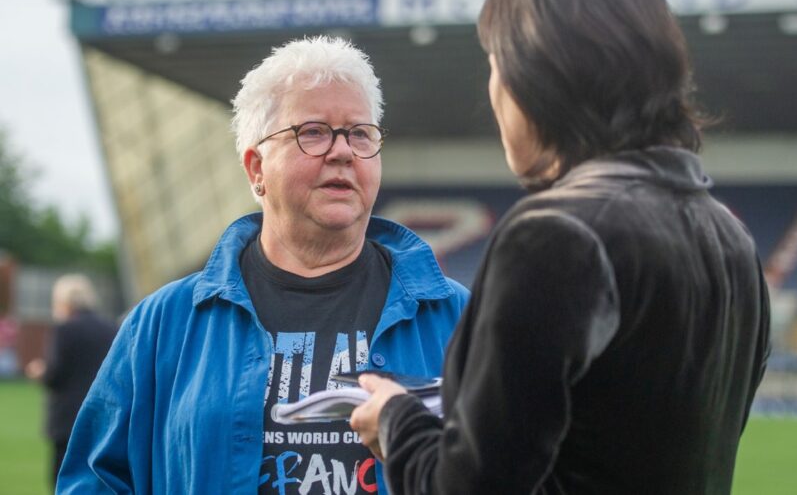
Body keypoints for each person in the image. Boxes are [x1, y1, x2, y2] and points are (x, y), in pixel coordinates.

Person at [350, 0, 772, 494]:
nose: (493, 89)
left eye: (496, 64)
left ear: (537, 73)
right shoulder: (730, 237)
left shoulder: (555, 235)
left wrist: (398, 422)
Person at [58, 36, 469, 494]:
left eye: (359, 133)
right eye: (312, 131)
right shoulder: (163, 325)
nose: (342, 151)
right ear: (256, 169)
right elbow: (94, 482)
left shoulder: (459, 318)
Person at [24, 274, 117, 486]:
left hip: (67, 419)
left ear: (63, 302)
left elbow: (54, 374)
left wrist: (39, 372)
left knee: (63, 481)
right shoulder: (111, 328)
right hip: (103, 416)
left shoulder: (64, 330)